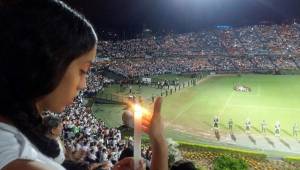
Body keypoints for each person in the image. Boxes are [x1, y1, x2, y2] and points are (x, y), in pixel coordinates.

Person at [0, 1, 168, 170]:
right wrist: (159, 143)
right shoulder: (20, 160)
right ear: (50, 63)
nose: (84, 85)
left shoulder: (18, 133)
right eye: (83, 71)